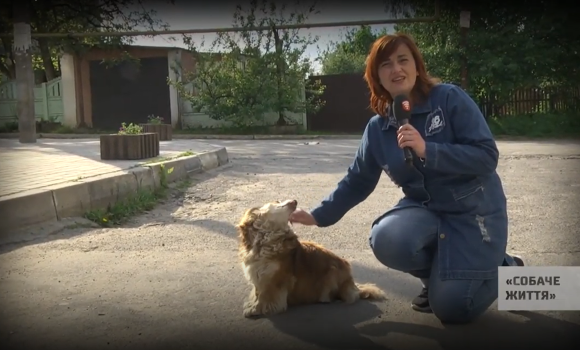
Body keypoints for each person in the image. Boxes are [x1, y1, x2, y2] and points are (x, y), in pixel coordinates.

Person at [289, 33, 524, 324]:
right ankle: (437, 280)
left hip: (472, 212)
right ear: (377, 77)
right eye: (386, 64)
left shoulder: (449, 98)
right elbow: (357, 181)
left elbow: (487, 157)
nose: (396, 69)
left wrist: (428, 149)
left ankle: (508, 268)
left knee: (452, 310)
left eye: (403, 60)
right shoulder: (378, 128)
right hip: (425, 211)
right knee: (388, 237)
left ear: (416, 65)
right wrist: (317, 214)